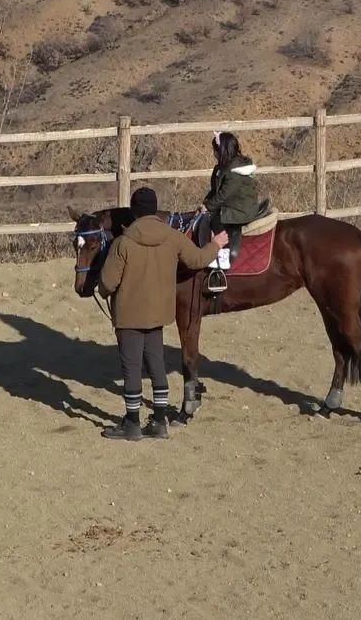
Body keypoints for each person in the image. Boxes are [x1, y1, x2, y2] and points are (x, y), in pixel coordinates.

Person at [98, 187, 228, 441]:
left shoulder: (123, 242)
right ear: (155, 209)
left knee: (132, 367)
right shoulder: (173, 237)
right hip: (159, 314)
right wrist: (216, 244)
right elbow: (197, 259)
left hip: (129, 315)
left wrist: (103, 287)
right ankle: (159, 421)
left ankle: (132, 423)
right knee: (157, 364)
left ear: (134, 211)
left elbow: (106, 284)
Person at [198, 131, 259, 269]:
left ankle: (222, 250)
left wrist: (209, 206)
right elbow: (216, 190)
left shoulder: (235, 170)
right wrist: (205, 202)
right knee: (208, 214)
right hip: (232, 203)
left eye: (215, 150)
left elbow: (225, 194)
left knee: (216, 218)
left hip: (241, 208)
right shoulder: (222, 167)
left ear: (222, 151)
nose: (214, 153)